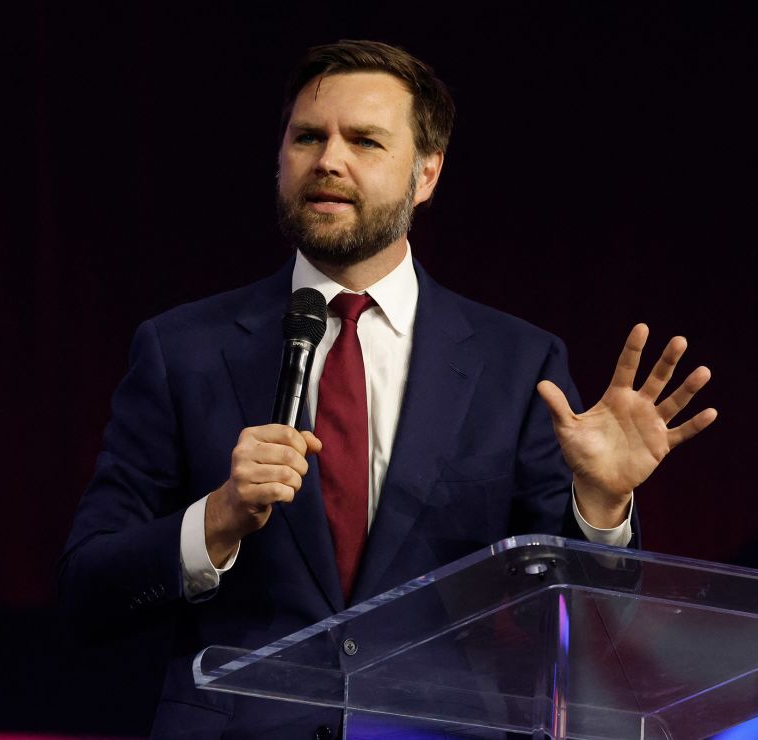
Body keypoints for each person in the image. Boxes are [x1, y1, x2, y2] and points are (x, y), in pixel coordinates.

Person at [60, 39, 716, 739]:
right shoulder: (182, 350)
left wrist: (602, 507)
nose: (328, 161)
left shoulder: (516, 362)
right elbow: (88, 588)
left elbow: (585, 622)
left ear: (426, 173)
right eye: (308, 137)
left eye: (365, 141)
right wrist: (215, 520)